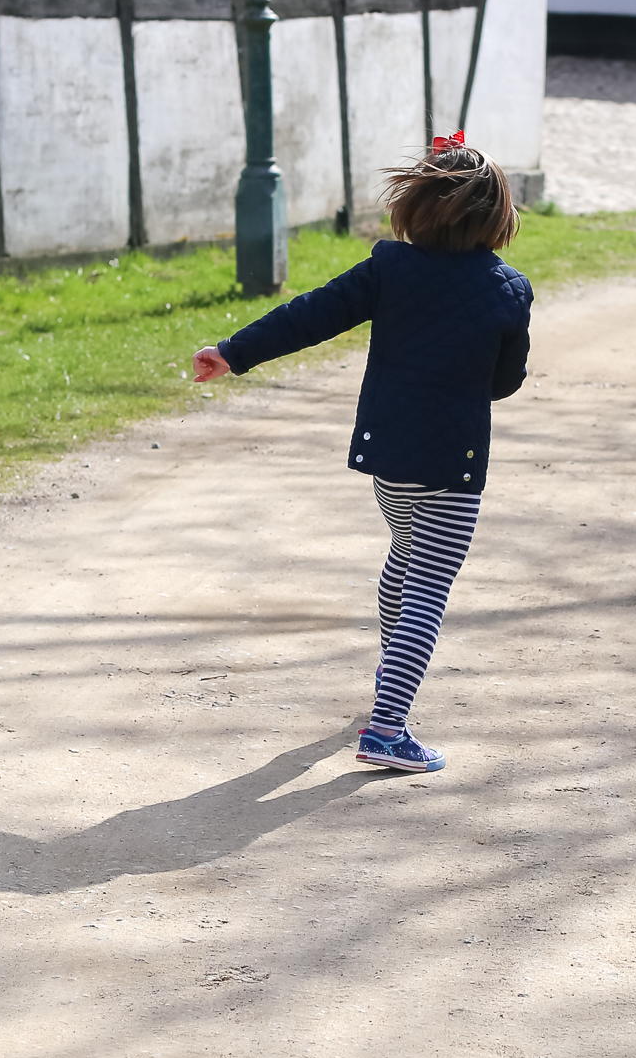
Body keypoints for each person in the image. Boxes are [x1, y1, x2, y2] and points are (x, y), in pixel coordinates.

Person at [192, 135, 532, 774]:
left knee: (405, 559)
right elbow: (505, 381)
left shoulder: (387, 268)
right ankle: (387, 728)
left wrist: (233, 351)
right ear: (497, 217)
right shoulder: (508, 290)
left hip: (388, 462)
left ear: (414, 207)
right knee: (429, 587)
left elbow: (310, 316)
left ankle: (388, 679)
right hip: (452, 471)